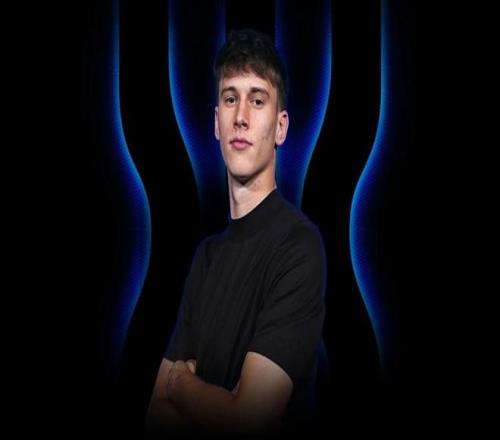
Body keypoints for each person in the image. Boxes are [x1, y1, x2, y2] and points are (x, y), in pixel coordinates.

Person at [146, 29, 327, 438]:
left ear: (281, 128)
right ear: (216, 122)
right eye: (230, 98)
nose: (241, 116)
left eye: (257, 100)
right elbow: (155, 417)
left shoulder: (299, 246)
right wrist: (215, 406)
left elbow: (248, 422)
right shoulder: (206, 257)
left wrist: (179, 383)